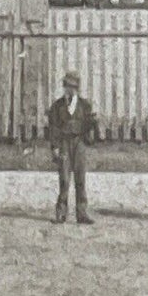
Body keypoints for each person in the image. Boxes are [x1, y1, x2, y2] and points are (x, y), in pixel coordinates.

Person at [47, 71, 98, 224]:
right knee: (64, 179)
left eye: (73, 86)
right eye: (67, 86)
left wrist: (92, 124)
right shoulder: (57, 106)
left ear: (77, 88)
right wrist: (55, 147)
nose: (70, 89)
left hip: (79, 143)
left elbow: (90, 127)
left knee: (80, 179)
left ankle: (81, 213)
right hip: (64, 143)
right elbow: (53, 127)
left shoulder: (85, 105)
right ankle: (61, 213)